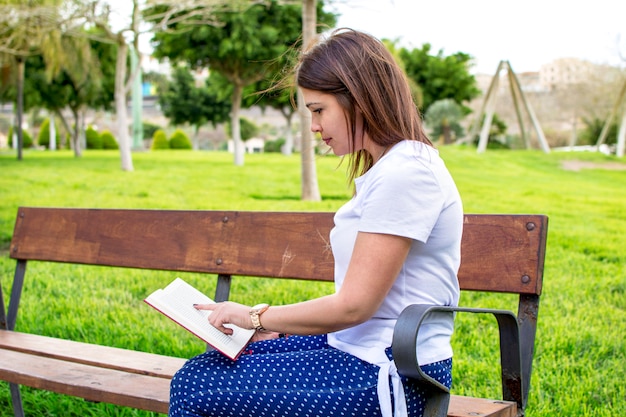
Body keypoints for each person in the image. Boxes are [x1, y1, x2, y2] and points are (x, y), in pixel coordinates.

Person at [169, 28, 463, 417]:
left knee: (196, 385)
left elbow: (353, 306)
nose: (313, 126)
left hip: (394, 372)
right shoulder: (392, 167)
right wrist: (266, 327)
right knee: (212, 366)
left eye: (318, 110)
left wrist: (256, 316)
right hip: (356, 349)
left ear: (357, 99)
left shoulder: (406, 173)